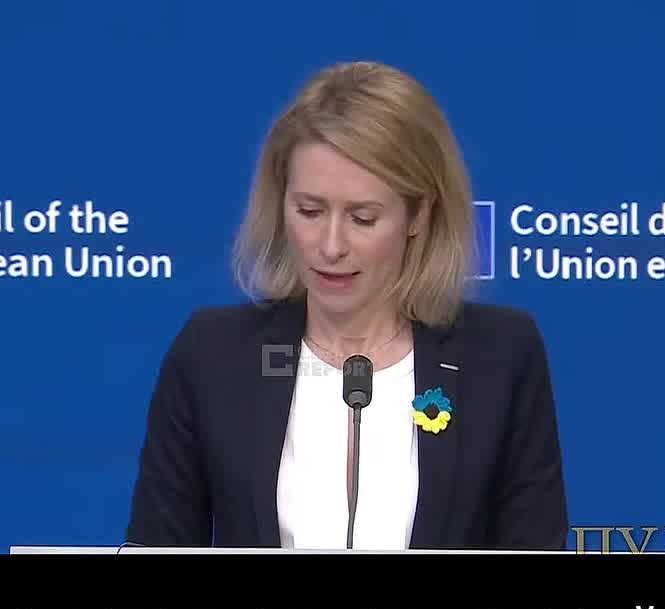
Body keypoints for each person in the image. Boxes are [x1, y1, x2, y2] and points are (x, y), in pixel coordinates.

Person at [125, 61, 567, 550]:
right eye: (310, 211)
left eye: (363, 218)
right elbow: (156, 547)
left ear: (419, 214)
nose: (331, 245)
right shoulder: (212, 354)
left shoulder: (500, 356)